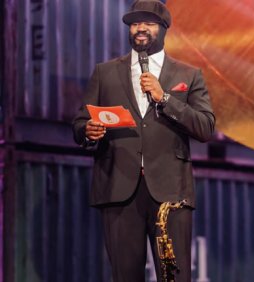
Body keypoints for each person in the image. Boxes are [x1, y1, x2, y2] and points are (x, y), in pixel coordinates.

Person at [72, 0, 215, 281]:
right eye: (135, 24)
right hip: (118, 188)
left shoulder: (188, 75)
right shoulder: (105, 72)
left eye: (148, 23)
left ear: (163, 29)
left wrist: (165, 98)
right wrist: (87, 131)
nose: (140, 29)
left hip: (170, 192)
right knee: (125, 276)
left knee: (174, 276)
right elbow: (79, 123)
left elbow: (205, 127)